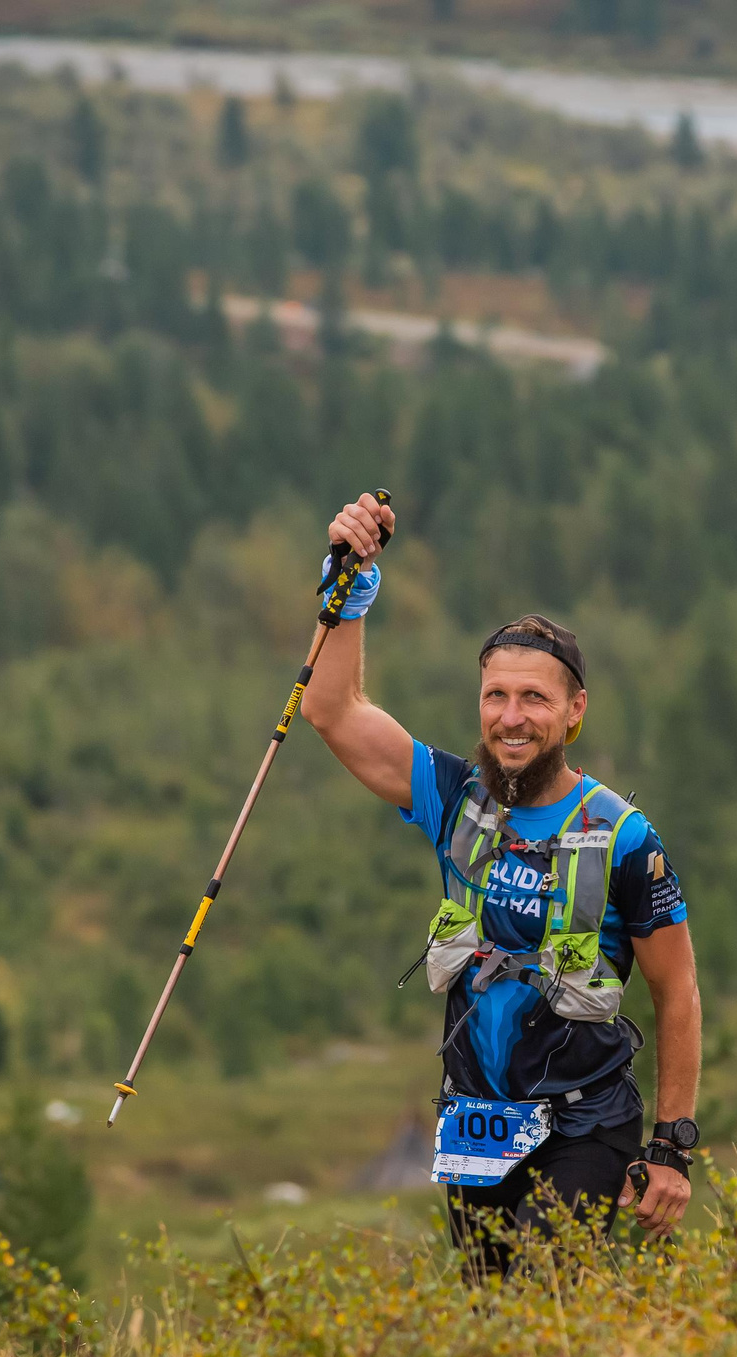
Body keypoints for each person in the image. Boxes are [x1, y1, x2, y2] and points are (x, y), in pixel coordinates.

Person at [301, 492, 702, 1275]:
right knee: (493, 1329)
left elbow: (678, 992)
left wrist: (672, 1147)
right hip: (475, 1125)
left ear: (574, 710)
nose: (511, 717)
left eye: (534, 699)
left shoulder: (624, 837)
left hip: (585, 1126)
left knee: (547, 1303)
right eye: (496, 695)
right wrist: (347, 592)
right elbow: (331, 710)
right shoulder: (453, 797)